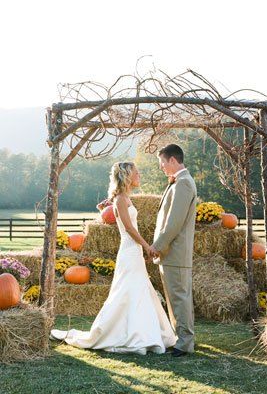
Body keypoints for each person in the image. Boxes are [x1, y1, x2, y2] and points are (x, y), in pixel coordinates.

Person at [51, 162, 176, 355]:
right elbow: (128, 228)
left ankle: (142, 332)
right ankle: (127, 334)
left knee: (138, 290)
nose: (139, 175)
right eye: (136, 172)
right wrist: (147, 246)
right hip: (128, 250)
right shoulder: (120, 200)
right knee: (127, 291)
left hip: (133, 251)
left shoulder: (124, 198)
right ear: (126, 176)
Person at [150, 144, 197, 357]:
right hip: (171, 254)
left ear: (172, 160)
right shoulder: (178, 182)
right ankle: (181, 339)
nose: (161, 167)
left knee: (179, 298)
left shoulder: (184, 183)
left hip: (175, 252)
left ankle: (185, 343)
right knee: (175, 298)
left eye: (162, 162)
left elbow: (174, 223)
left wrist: (157, 246)